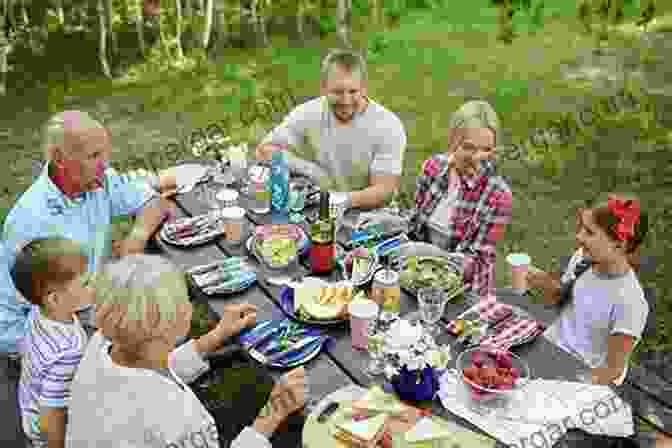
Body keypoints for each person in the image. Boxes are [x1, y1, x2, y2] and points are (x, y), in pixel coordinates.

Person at [66, 254, 306, 448]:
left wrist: (216, 336)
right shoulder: (176, 417)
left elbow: (153, 366)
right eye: (184, 299)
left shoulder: (105, 341)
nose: (190, 306)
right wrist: (274, 412)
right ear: (168, 324)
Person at [0, 110, 177, 357]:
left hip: (79, 298)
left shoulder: (95, 180)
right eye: (94, 156)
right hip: (39, 328)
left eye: (105, 153)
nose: (104, 165)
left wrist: (136, 236)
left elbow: (153, 202)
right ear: (60, 159)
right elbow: (52, 307)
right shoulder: (35, 222)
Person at [255, 48, 407, 211]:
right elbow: (263, 151)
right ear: (323, 88)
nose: (346, 101)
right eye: (337, 92)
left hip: (372, 215)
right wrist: (309, 169)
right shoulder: (308, 113)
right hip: (322, 206)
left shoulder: (388, 126)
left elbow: (384, 191)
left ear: (364, 88)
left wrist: (342, 200)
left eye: (353, 91)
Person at [531, 194, 649, 386]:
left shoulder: (630, 303)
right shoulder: (582, 259)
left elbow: (612, 371)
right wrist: (541, 282)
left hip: (581, 378)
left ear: (619, 245)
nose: (579, 237)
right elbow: (566, 303)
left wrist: (559, 386)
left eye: (589, 232)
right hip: (550, 350)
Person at [407, 100, 513, 299]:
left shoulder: (499, 197)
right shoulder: (433, 168)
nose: (478, 157)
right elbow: (414, 225)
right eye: (469, 148)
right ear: (452, 142)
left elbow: (476, 264)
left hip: (465, 294)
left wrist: (427, 253)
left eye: (487, 149)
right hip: (419, 277)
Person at [11, 237, 95, 448]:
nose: (93, 287)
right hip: (48, 429)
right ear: (55, 299)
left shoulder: (37, 313)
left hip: (29, 402)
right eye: (85, 284)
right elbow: (52, 414)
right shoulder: (67, 353)